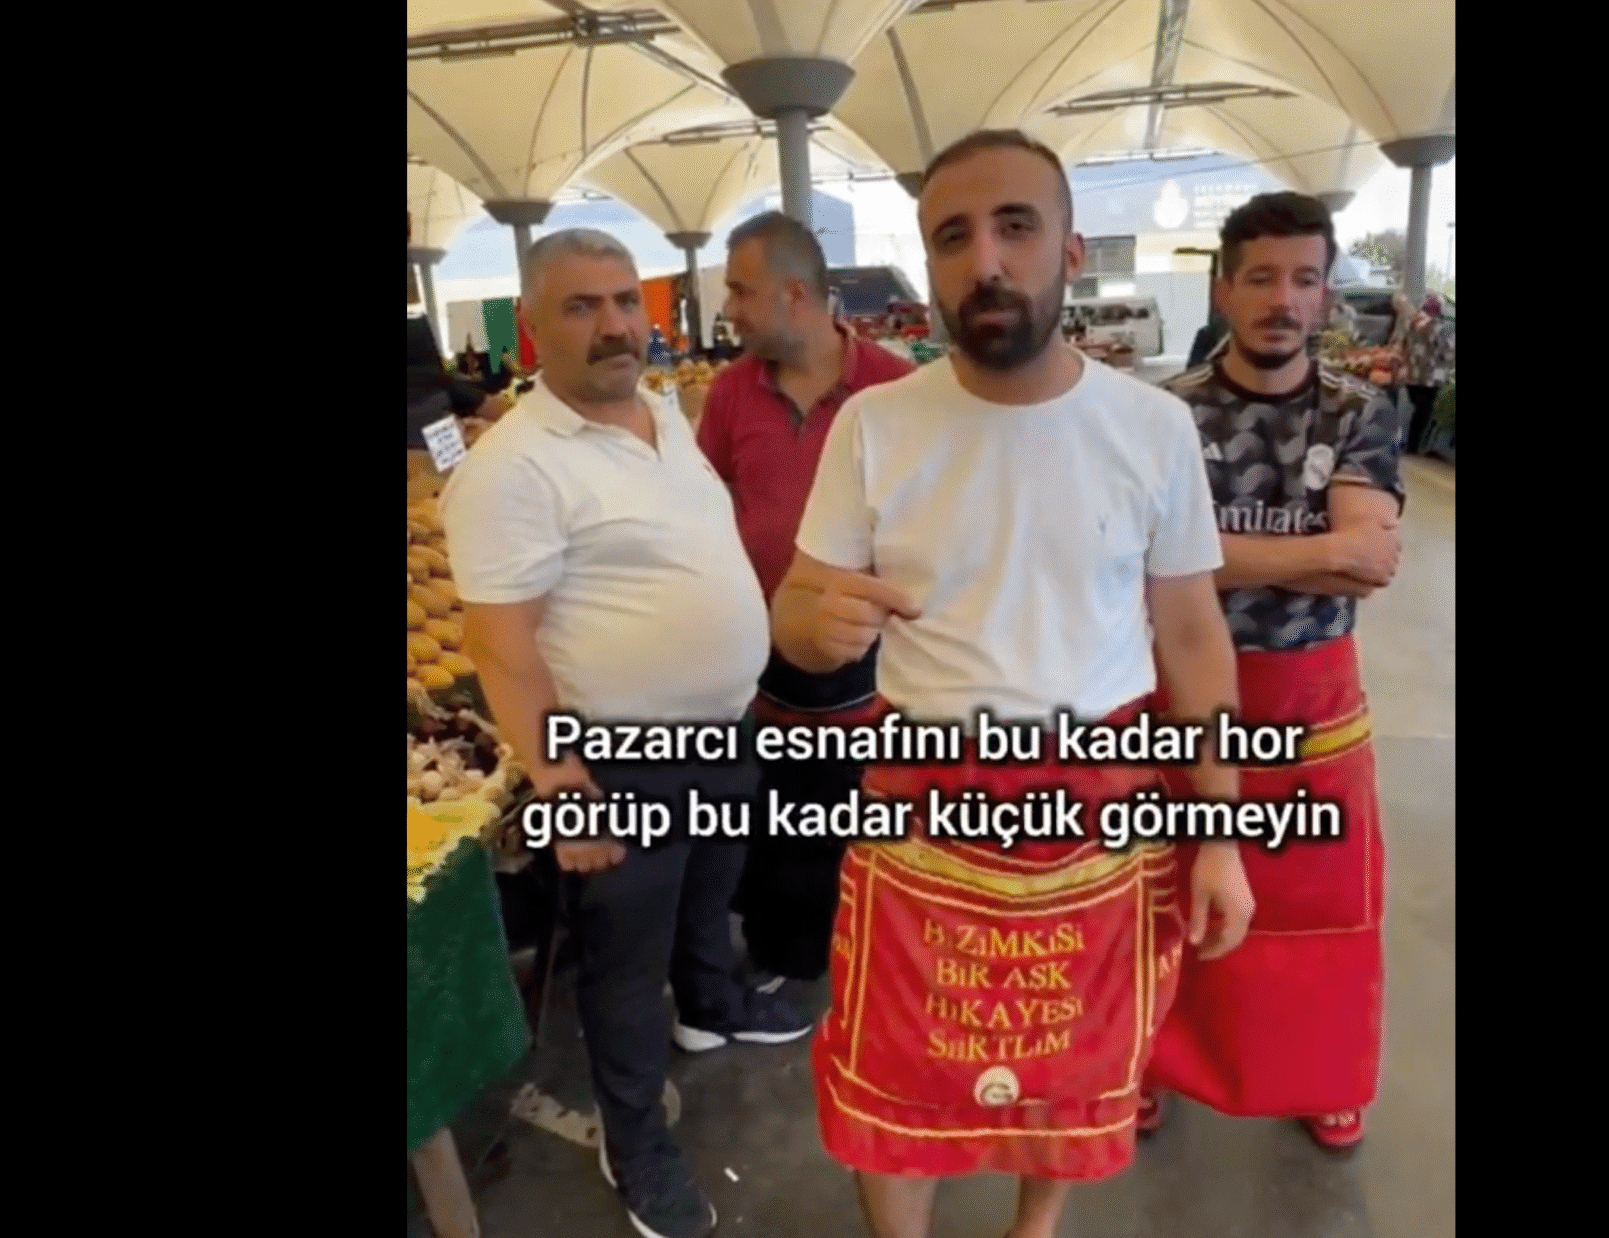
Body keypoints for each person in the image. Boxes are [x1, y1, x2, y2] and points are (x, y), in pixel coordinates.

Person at [773, 128, 1255, 1238]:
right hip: (921, 794)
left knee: (1074, 1057)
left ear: (1070, 252)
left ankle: (1032, 1232)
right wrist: (810, 627)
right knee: (898, 1060)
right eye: (953, 237)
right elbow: (796, 609)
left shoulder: (1152, 427)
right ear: (931, 266)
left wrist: (1223, 836)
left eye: (1015, 227)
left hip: (1101, 794)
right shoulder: (873, 425)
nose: (985, 259)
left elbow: (1191, 636)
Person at [439, 228, 812, 1238]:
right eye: (580, 306)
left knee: (710, 892)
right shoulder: (512, 469)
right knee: (622, 963)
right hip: (619, 760)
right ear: (530, 324)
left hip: (721, 730)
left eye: (622, 301)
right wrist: (565, 788)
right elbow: (502, 647)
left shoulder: (663, 413)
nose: (612, 324)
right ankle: (636, 1138)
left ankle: (712, 1005)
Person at [1145, 191, 1403, 1153]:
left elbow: (1369, 562)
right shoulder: (1165, 415)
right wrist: (1319, 551)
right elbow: (1145, 566)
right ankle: (1155, 1062)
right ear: (1224, 288)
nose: (1282, 300)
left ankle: (1323, 1077)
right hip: (1185, 696)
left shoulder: (1358, 410)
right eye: (1260, 278)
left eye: (1303, 279)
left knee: (1321, 913)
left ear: (1325, 294)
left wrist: (1202, 557)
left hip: (1315, 704)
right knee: (1171, 893)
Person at [696, 211, 916, 986]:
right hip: (757, 651)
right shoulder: (731, 392)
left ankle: (842, 956)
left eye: (741, 291)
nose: (730, 309)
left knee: (850, 811)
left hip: (866, 653)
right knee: (775, 812)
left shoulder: (896, 389)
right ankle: (786, 958)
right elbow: (708, 498)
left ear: (795, 294)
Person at [1401, 294, 1453, 455]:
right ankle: (1412, 446)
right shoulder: (1438, 327)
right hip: (1428, 378)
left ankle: (1412, 445)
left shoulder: (1414, 323)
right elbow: (1447, 352)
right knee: (1422, 411)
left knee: (1419, 410)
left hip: (1418, 376)